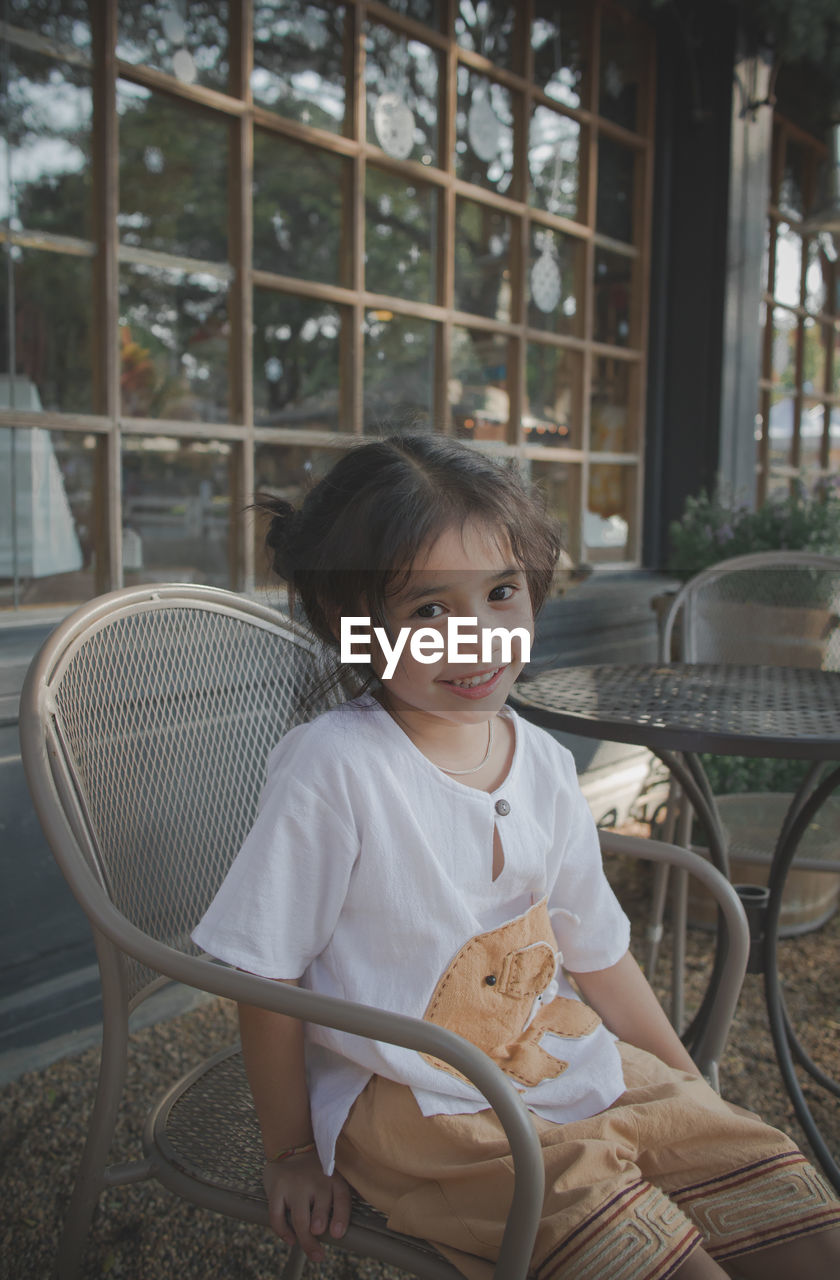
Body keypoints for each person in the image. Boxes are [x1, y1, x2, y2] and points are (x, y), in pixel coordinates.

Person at [193, 434, 840, 1280]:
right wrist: (288, 1152)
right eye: (428, 610)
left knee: (796, 1208)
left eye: (502, 593)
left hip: (556, 1052)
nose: (477, 638)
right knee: (651, 1254)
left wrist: (689, 1088)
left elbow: (596, 953)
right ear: (352, 625)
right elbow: (264, 975)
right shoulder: (334, 769)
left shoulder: (539, 759)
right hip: (418, 1105)